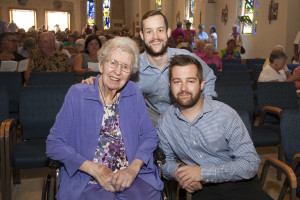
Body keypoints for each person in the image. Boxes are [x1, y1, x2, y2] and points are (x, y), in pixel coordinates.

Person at [46, 37, 163, 200]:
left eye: (125, 67)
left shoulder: (133, 93)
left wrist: (132, 169)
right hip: (87, 179)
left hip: (132, 177)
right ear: (101, 64)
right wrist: (96, 170)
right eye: (113, 63)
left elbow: (149, 136)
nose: (117, 71)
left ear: (131, 73)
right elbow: (54, 144)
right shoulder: (78, 94)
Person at [157, 54, 268, 200]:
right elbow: (165, 163)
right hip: (202, 189)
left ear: (202, 84)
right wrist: (182, 173)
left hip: (239, 182)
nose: (183, 88)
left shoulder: (225, 115)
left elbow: (250, 163)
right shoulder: (165, 122)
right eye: (177, 81)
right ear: (170, 85)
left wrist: (203, 173)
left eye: (190, 81)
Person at [83, 10, 216, 126]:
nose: (155, 37)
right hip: (154, 121)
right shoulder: (134, 65)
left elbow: (209, 76)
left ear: (168, 32)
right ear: (142, 35)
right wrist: (95, 82)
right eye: (149, 31)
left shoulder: (186, 58)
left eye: (160, 30)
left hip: (186, 117)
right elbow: (114, 78)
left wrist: (205, 107)